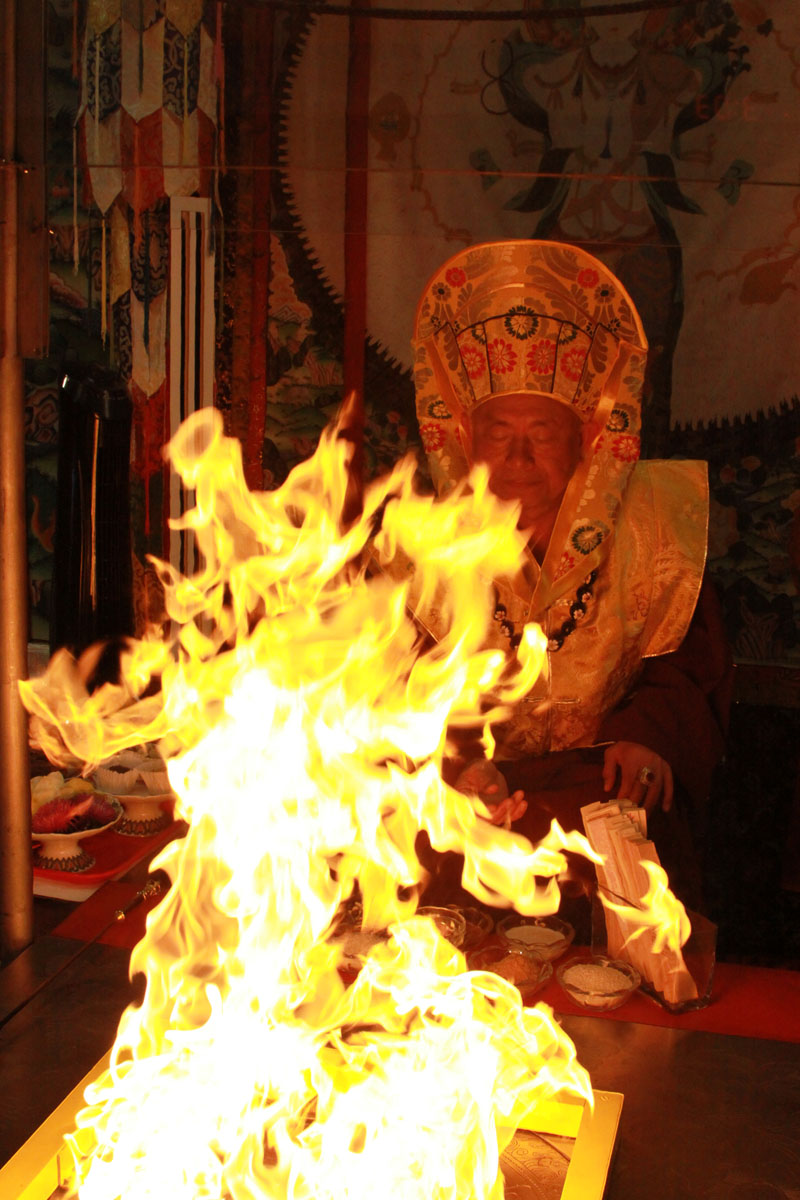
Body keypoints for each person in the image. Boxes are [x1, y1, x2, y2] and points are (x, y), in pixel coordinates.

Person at [408, 239, 733, 912]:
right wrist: (459, 763)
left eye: (544, 432)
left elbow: (689, 667)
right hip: (471, 796)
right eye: (499, 432)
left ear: (586, 438)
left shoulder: (654, 521)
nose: (519, 456)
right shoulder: (418, 537)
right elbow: (389, 682)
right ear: (465, 436)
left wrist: (650, 734)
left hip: (602, 786)